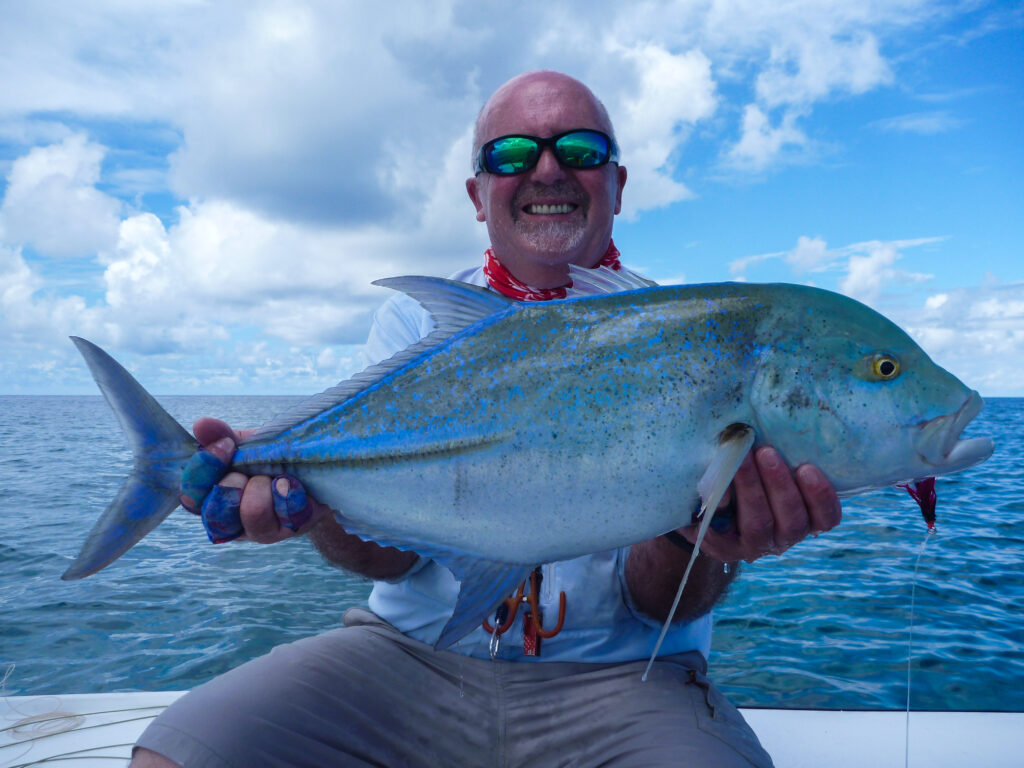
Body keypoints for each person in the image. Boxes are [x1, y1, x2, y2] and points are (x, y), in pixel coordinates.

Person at [132, 70, 842, 768]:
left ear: (618, 185)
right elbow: (396, 557)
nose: (547, 169)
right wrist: (311, 503)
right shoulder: (416, 323)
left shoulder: (690, 337)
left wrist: (703, 536)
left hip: (625, 680)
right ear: (478, 195)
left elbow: (659, 607)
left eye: (581, 150)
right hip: (409, 657)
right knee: (176, 754)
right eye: (511, 155)